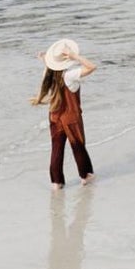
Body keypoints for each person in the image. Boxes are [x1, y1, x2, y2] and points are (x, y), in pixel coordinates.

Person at [33, 39, 96, 189]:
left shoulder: (47, 73)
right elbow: (92, 67)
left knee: (57, 148)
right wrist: (75, 56)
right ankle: (85, 175)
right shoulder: (70, 75)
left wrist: (45, 61)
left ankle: (56, 182)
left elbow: (51, 69)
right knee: (78, 145)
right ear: (66, 59)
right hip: (71, 116)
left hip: (54, 115)